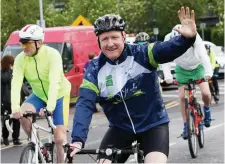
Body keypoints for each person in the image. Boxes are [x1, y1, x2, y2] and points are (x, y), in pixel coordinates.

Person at [70, 7, 197, 163]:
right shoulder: (94, 69)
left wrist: (187, 39)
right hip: (120, 129)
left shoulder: (143, 53)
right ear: (98, 42)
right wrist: (77, 139)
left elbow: (167, 49)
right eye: (104, 39)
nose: (110, 43)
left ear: (123, 36)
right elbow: (85, 103)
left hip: (153, 125)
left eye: (114, 37)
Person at [11, 24, 71, 163]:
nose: (24, 46)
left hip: (59, 94)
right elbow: (16, 83)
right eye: (22, 42)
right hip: (38, 95)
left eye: (27, 42)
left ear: (39, 42)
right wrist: (15, 108)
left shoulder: (52, 55)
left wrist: (50, 107)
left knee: (59, 139)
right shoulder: (20, 58)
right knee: (24, 115)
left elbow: (55, 81)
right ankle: (37, 146)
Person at [161, 24, 213, 140]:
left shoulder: (195, 36)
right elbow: (163, 58)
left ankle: (207, 110)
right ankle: (186, 125)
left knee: (205, 93)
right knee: (181, 97)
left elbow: (204, 55)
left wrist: (208, 73)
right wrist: (168, 76)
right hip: (182, 69)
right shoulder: (168, 38)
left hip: (197, 67)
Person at [1, 55, 22, 146]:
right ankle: (9, 138)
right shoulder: (6, 73)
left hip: (11, 101)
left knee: (14, 120)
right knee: (9, 120)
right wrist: (11, 70)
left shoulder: (12, 72)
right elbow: (6, 79)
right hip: (7, 101)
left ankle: (13, 138)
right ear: (9, 64)